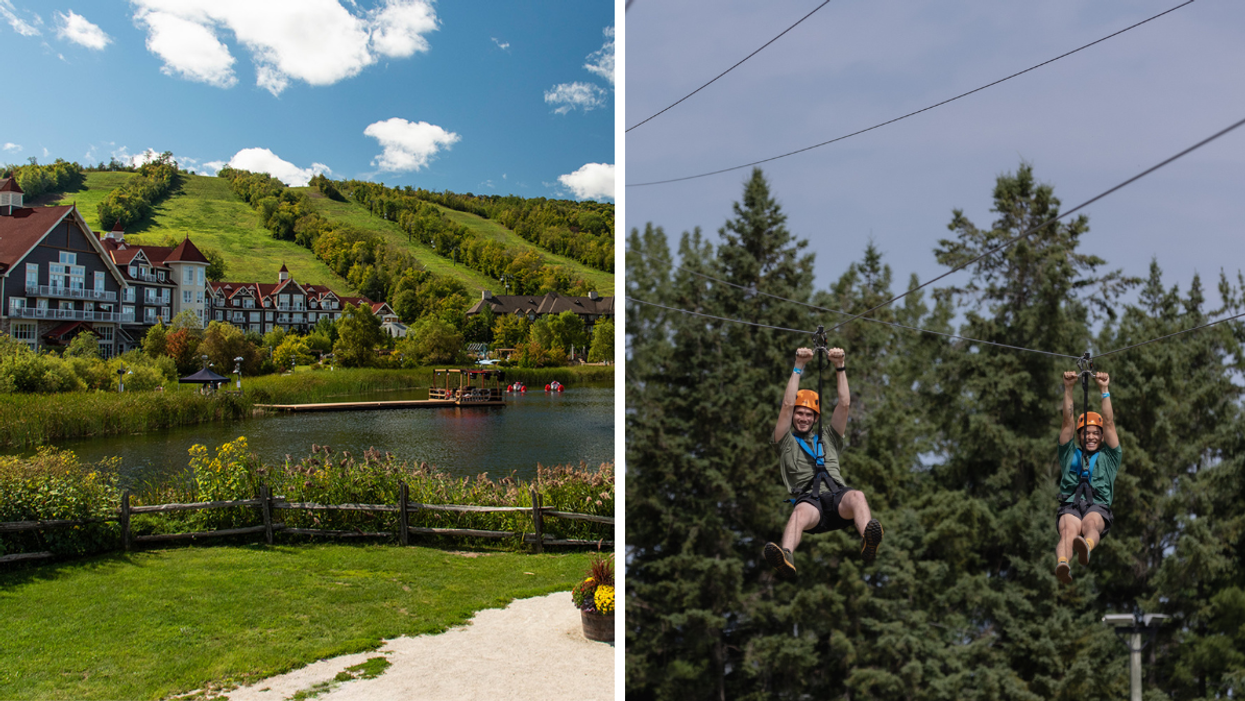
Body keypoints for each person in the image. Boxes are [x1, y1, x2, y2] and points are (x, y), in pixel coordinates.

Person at [763, 346, 884, 580]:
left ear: (816, 418)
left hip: (838, 498)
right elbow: (786, 406)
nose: (803, 418)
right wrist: (799, 366)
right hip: (811, 503)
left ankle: (868, 539)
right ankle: (786, 556)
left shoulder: (829, 436)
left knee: (857, 496)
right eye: (800, 413)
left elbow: (845, 404)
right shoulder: (784, 441)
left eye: (809, 415)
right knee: (798, 513)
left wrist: (840, 366)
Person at [1055, 370, 1121, 585]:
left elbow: (1109, 423)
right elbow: (1067, 422)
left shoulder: (1110, 456)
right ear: (1080, 436)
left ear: (1102, 436)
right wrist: (1068, 388)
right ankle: (1063, 563)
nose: (1091, 436)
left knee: (1091, 524)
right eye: (1086, 433)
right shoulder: (1068, 453)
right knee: (1067, 532)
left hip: (1098, 505)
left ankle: (1087, 547)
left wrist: (1104, 389)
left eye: (1095, 433)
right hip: (1071, 504)